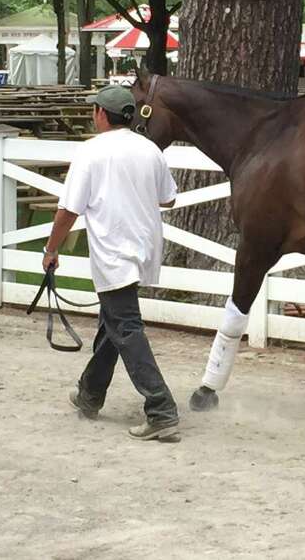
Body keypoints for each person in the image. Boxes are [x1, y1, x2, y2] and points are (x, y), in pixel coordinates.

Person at [42, 84, 180, 442]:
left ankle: (161, 408)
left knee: (126, 327)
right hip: (144, 245)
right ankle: (90, 394)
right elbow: (168, 199)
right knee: (114, 323)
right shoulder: (149, 150)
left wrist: (51, 248)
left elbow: (69, 209)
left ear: (101, 114)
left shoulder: (92, 152)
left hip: (114, 249)